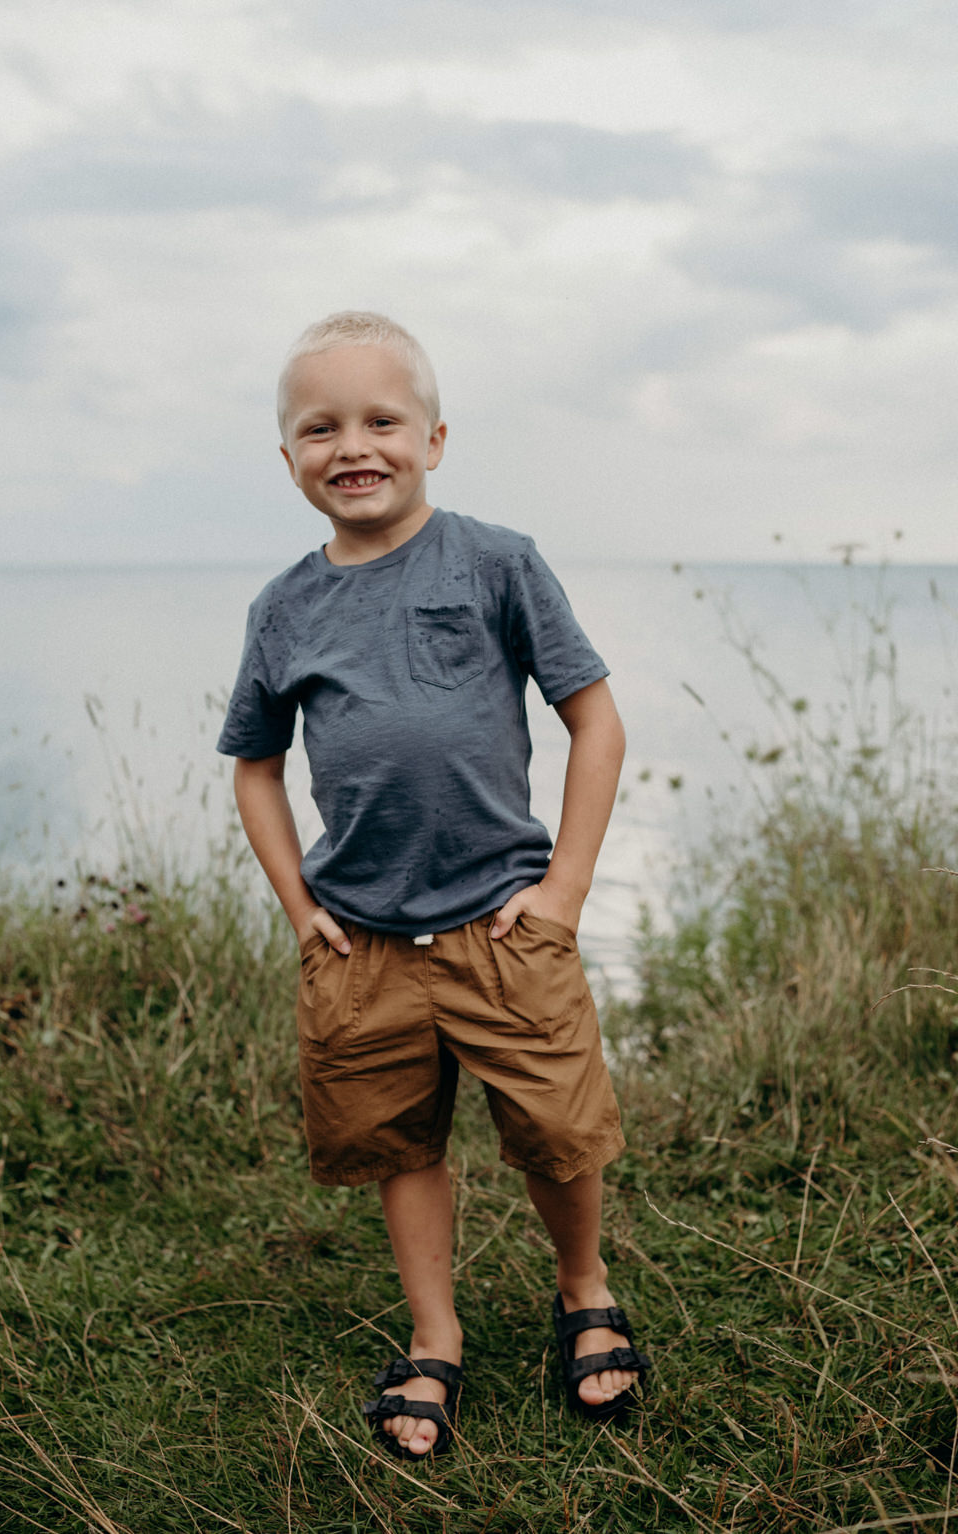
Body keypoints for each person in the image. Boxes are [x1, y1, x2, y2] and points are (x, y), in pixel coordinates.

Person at [217, 311, 649, 1462]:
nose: (352, 445)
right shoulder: (285, 608)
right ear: (289, 458)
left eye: (380, 420)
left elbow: (593, 721)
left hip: (503, 921)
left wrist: (562, 889)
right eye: (321, 427)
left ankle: (584, 1289)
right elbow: (255, 768)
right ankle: (435, 1330)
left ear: (435, 438)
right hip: (359, 942)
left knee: (559, 1134)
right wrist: (297, 901)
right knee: (401, 1143)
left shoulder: (495, 560)